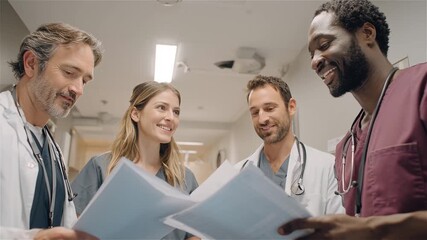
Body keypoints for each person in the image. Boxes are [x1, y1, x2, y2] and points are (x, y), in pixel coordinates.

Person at [278, 0, 427, 239]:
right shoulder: (346, 148)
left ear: (367, 33)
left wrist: (374, 229)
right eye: (312, 54)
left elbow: (366, 228)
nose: (314, 62)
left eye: (324, 44)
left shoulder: (422, 88)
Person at [0, 23, 103, 239]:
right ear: (31, 64)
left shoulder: (52, 148)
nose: (79, 89)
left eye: (84, 80)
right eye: (69, 72)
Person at [71, 81, 200, 240]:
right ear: (136, 114)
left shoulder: (185, 178)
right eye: (162, 107)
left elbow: (193, 235)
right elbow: (75, 229)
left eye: (176, 111)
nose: (170, 117)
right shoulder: (101, 166)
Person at [235, 75, 344, 216]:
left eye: (269, 108)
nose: (262, 119)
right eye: (255, 112)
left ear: (291, 107)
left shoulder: (327, 166)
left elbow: (340, 228)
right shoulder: (237, 173)